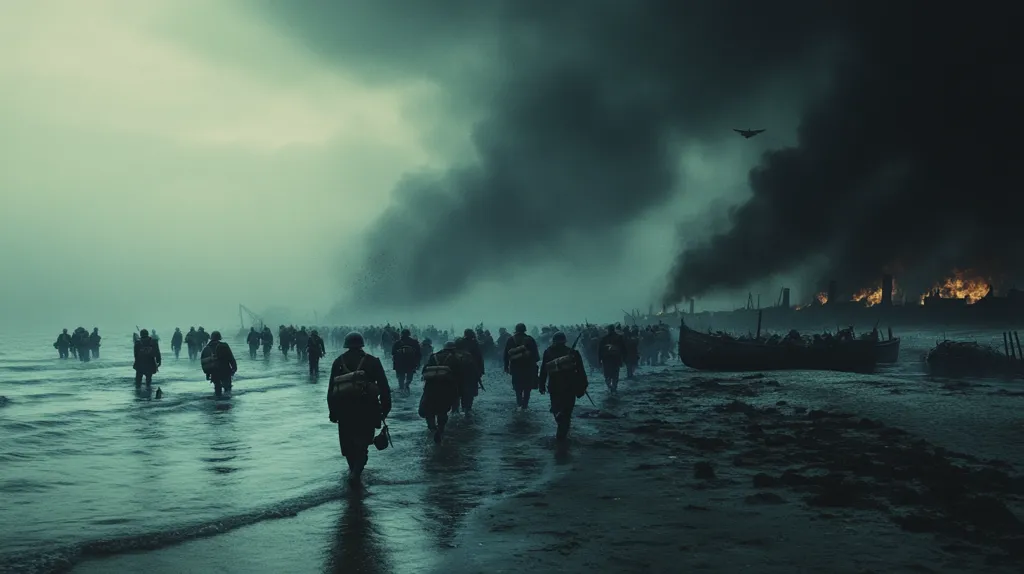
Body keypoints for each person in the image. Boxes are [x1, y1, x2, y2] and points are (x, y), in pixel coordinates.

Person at [328, 332, 391, 483]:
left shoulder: (338, 361)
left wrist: (332, 412)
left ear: (346, 344)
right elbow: (384, 387)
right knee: (363, 443)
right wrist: (385, 408)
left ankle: (353, 471)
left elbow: (331, 389)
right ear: (362, 344)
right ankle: (356, 472)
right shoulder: (372, 361)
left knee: (348, 443)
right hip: (367, 409)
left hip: (344, 410)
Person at [538, 331, 589, 440]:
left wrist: (541, 384)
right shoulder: (573, 353)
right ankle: (563, 436)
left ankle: (558, 418)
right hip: (570, 386)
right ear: (564, 341)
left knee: (556, 407)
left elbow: (544, 370)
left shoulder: (548, 352)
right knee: (568, 411)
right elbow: (581, 371)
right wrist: (583, 386)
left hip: (554, 386)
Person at [419, 341, 463, 443]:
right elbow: (459, 376)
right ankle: (441, 430)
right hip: (446, 388)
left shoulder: (433, 356)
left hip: (430, 388)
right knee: (442, 410)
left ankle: (432, 429)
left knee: (429, 409)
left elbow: (424, 371)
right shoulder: (455, 358)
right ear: (453, 349)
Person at [503, 323, 540, 409]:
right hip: (529, 368)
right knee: (527, 389)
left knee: (518, 389)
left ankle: (519, 404)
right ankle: (525, 406)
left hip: (516, 368)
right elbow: (536, 357)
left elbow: (506, 355)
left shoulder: (511, 340)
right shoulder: (530, 339)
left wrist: (506, 366)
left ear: (516, 330)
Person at [201, 331, 238, 397]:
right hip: (225, 370)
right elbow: (230, 357)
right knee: (227, 389)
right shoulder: (224, 345)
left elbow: (205, 362)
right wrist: (234, 368)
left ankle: (217, 403)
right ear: (219, 337)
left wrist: (207, 374)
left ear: (211, 338)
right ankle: (227, 403)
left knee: (217, 389)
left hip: (214, 371)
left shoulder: (207, 348)